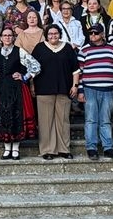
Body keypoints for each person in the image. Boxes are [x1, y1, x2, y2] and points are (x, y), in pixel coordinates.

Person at [0, 28, 41, 160]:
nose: (7, 38)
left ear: (13, 38)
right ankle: (7, 148)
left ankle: (16, 148)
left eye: (9, 35)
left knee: (16, 116)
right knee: (3, 117)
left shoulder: (20, 51)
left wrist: (25, 77)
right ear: (1, 38)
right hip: (0, 89)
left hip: (16, 89)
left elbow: (36, 65)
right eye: (5, 35)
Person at [31, 24, 79, 160]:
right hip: (44, 89)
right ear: (46, 35)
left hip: (64, 88)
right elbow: (32, 69)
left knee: (63, 120)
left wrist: (75, 86)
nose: (53, 36)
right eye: (50, 34)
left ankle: (64, 149)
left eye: (55, 33)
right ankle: (47, 150)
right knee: (46, 121)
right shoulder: (39, 48)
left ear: (60, 34)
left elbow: (75, 69)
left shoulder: (67, 48)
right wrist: (32, 86)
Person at [77, 23, 113, 161]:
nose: (93, 35)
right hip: (89, 89)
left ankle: (108, 147)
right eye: (91, 33)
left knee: (105, 120)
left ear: (102, 34)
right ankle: (91, 147)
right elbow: (79, 72)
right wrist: (80, 90)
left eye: (96, 33)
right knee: (91, 119)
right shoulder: (84, 50)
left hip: (108, 90)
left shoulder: (112, 49)